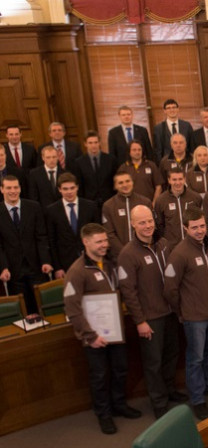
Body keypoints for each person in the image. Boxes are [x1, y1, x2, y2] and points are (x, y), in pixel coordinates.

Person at [63, 223, 141, 434]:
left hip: (115, 331)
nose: (104, 245)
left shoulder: (110, 264)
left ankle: (119, 405)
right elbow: (72, 307)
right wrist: (90, 335)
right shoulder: (77, 271)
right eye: (99, 242)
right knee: (99, 376)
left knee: (120, 369)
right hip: (93, 337)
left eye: (105, 240)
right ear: (85, 242)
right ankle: (104, 414)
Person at [164, 207, 208, 420]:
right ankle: (197, 398)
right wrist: (182, 310)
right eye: (194, 227)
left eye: (202, 226)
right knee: (195, 358)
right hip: (194, 317)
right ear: (185, 228)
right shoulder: (179, 253)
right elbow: (170, 288)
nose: (199, 231)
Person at [117, 205, 185, 419]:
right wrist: (140, 321)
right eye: (142, 222)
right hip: (150, 318)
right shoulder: (127, 254)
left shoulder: (164, 244)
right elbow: (128, 291)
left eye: (149, 221)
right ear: (133, 224)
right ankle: (158, 402)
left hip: (171, 313)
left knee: (171, 355)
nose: (147, 226)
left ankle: (170, 390)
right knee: (153, 362)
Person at [0, 175, 52, 316]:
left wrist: (46, 261)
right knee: (24, 312)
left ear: (20, 188)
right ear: (1, 190)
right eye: (9, 188)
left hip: (36, 267)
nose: (13, 191)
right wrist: (3, 267)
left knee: (43, 308)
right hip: (13, 271)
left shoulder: (33, 207)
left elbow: (41, 237)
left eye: (16, 187)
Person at [45, 173, 100, 279]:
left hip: (90, 259)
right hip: (65, 264)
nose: (69, 192)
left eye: (72, 188)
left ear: (77, 187)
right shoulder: (51, 211)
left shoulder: (90, 207)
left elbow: (97, 234)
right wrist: (57, 268)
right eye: (65, 189)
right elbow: (52, 241)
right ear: (59, 189)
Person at [102, 171, 151, 260]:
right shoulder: (108, 206)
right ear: (115, 186)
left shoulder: (145, 202)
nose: (125, 185)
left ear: (132, 182)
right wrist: (125, 251)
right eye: (120, 183)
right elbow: (109, 233)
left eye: (127, 181)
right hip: (119, 256)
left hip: (143, 253)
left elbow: (151, 227)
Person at [154, 168, 203, 250]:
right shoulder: (161, 200)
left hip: (194, 245)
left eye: (180, 179)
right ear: (169, 180)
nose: (177, 182)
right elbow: (159, 225)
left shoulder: (195, 197)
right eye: (174, 179)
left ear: (185, 179)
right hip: (172, 248)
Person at [75, 131, 116, 207]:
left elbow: (114, 181)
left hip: (109, 201)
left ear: (99, 143)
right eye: (90, 143)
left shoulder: (110, 159)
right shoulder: (79, 163)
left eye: (95, 142)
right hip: (89, 202)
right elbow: (80, 185)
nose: (93, 145)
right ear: (85, 144)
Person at [117, 140, 162, 204]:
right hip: (130, 205)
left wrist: (154, 202)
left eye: (139, 150)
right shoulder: (123, 168)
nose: (137, 152)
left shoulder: (151, 165)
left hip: (149, 204)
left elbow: (158, 186)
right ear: (129, 152)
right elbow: (119, 188)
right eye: (134, 150)